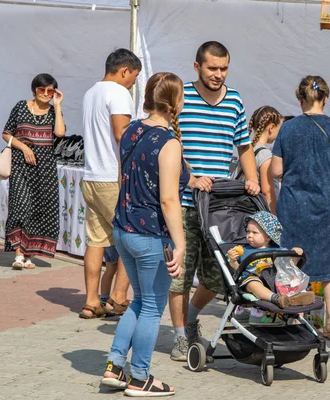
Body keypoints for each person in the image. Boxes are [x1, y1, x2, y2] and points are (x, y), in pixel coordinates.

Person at [168, 41, 260, 361]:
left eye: (223, 69)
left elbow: (244, 146)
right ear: (197, 67)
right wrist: (189, 178)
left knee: (219, 277)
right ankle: (181, 338)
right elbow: (169, 145)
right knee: (180, 275)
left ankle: (191, 319)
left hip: (220, 207)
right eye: (212, 68)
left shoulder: (234, 99)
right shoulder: (182, 99)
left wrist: (252, 179)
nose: (218, 74)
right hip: (184, 203)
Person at [100, 72, 188, 396]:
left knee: (139, 302)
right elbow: (168, 199)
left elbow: (131, 177)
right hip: (151, 235)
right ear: (176, 101)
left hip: (123, 228)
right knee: (152, 306)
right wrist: (179, 244)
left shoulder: (131, 130)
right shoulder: (169, 142)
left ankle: (114, 366)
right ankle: (139, 376)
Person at [269, 75, 330, 341]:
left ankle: (298, 318)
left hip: (295, 205)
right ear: (325, 99)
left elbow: (276, 170)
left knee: (294, 263)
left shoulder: (288, 128)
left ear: (300, 99)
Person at [79, 49, 141, 319]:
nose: (133, 84)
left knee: (96, 242)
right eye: (134, 77)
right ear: (125, 70)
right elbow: (121, 134)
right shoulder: (118, 92)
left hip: (91, 176)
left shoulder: (90, 92)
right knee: (132, 237)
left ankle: (91, 301)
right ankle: (118, 297)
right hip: (112, 178)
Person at [2, 73, 65, 268]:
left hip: (44, 168)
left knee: (39, 209)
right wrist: (24, 147)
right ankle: (18, 255)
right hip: (21, 165)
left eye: (50, 90)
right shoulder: (21, 106)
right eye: (42, 90)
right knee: (20, 206)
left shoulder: (54, 112)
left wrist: (58, 105)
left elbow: (60, 133)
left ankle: (28, 255)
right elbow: (6, 133)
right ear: (34, 90)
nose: (46, 94)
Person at [227, 211, 313, 308]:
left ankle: (295, 298)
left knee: (293, 278)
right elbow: (238, 270)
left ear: (268, 236)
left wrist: (295, 254)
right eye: (248, 231)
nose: (249, 235)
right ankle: (275, 298)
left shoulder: (278, 250)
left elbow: (290, 265)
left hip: (277, 281)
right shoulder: (243, 250)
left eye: (254, 232)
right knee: (252, 283)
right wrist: (233, 260)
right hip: (255, 280)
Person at [247, 106, 283, 214]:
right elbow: (267, 192)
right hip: (262, 213)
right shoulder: (265, 155)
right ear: (271, 127)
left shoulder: (247, 151)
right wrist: (274, 219)